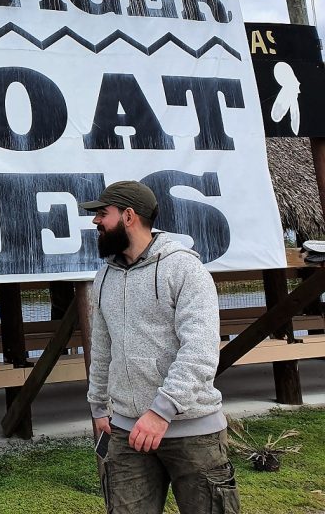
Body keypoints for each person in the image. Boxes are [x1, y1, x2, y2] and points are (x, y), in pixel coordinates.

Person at [81, 180, 239, 513]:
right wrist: (98, 405)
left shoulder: (185, 269)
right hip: (125, 432)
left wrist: (160, 412)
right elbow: (102, 347)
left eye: (102, 214)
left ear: (128, 216)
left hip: (193, 433)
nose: (95, 222)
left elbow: (200, 349)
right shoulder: (104, 277)